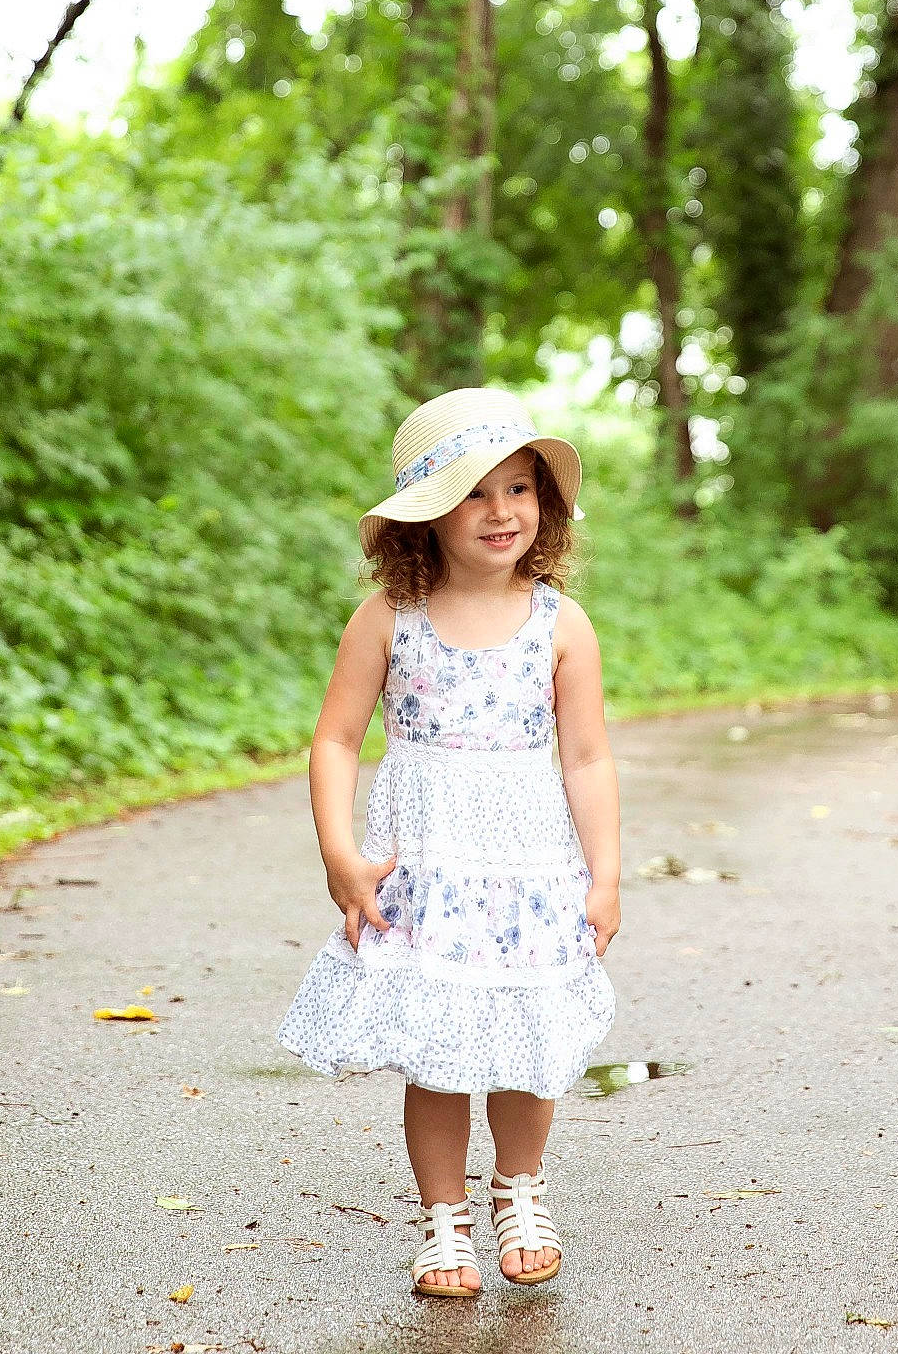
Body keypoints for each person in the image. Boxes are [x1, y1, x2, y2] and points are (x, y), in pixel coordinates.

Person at [276, 385, 620, 1297]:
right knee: (436, 1053)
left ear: (543, 504)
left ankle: (519, 1190)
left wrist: (605, 875)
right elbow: (335, 739)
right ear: (425, 513)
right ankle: (442, 1220)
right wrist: (340, 855)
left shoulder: (560, 625)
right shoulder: (390, 619)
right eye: (473, 492)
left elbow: (586, 757)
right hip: (427, 869)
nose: (500, 511)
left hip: (527, 872)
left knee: (524, 1037)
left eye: (518, 488)